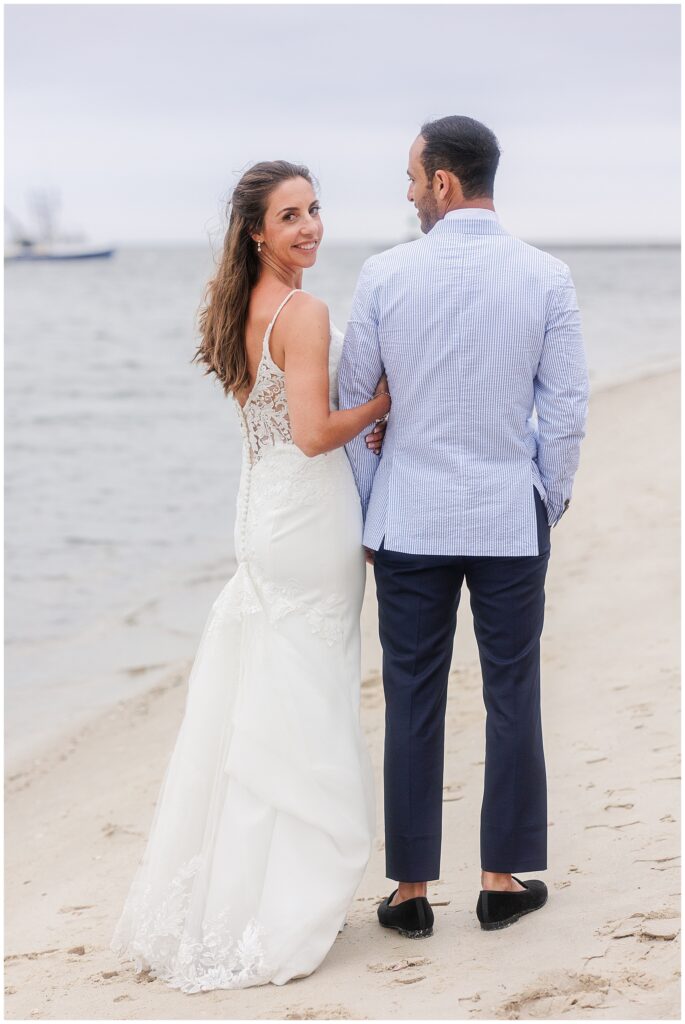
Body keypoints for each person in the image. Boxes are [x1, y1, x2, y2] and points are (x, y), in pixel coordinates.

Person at [110, 161, 391, 991]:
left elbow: (278, 426)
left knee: (266, 699)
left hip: (263, 514)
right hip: (306, 519)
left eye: (314, 209)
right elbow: (311, 434)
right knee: (304, 699)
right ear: (256, 232)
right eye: (290, 216)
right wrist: (383, 403)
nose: (309, 227)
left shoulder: (238, 308)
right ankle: (283, 898)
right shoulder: (301, 310)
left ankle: (244, 890)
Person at [339, 115, 589, 935]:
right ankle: (499, 880)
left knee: (411, 695)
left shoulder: (383, 275)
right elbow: (565, 408)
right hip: (505, 516)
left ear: (443, 182)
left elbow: (354, 402)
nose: (410, 192)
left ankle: (410, 896)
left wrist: (373, 504)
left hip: (410, 515)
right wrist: (543, 497)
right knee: (512, 691)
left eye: (414, 178)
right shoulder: (545, 277)